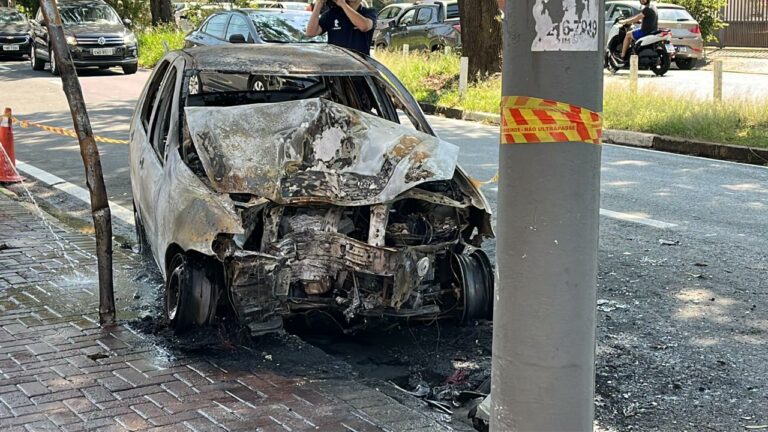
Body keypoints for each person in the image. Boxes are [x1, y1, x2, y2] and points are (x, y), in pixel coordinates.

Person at [306, 0, 377, 56]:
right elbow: (310, 32)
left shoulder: (369, 12)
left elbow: (364, 26)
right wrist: (319, 3)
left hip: (361, 67)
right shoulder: (332, 13)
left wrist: (343, 4)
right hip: (337, 66)